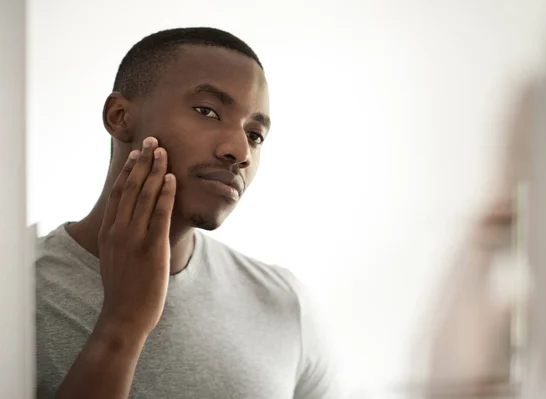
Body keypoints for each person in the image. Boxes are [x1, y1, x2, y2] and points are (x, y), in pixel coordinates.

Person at [36, 27, 339, 399]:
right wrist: (122, 325)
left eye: (255, 134)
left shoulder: (285, 303)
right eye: (207, 111)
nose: (239, 151)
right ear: (119, 116)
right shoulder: (20, 290)